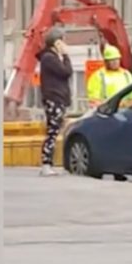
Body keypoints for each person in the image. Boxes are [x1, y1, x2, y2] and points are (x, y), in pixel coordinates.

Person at [36, 27, 73, 177]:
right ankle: (46, 163)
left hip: (58, 98)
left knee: (55, 130)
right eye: (64, 41)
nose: (66, 45)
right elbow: (66, 72)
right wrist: (66, 56)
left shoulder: (51, 58)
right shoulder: (49, 58)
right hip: (54, 99)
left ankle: (48, 163)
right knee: (52, 131)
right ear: (57, 43)